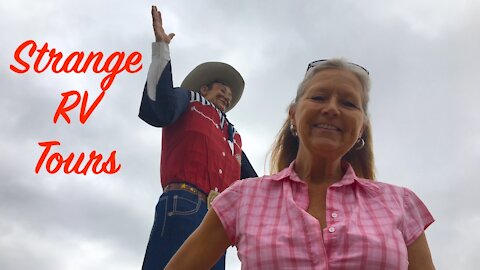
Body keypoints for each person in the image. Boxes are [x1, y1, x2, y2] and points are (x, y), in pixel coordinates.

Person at [165, 59, 435, 269]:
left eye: (349, 103)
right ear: (294, 114)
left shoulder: (401, 203)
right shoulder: (241, 198)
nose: (332, 108)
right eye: (318, 97)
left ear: (362, 125)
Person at [138, 6, 257, 270]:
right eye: (221, 90)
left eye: (229, 94)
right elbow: (161, 107)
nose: (226, 96)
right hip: (184, 202)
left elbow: (252, 182)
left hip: (218, 217)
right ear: (205, 89)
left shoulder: (233, 135)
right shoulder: (190, 101)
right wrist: (161, 51)